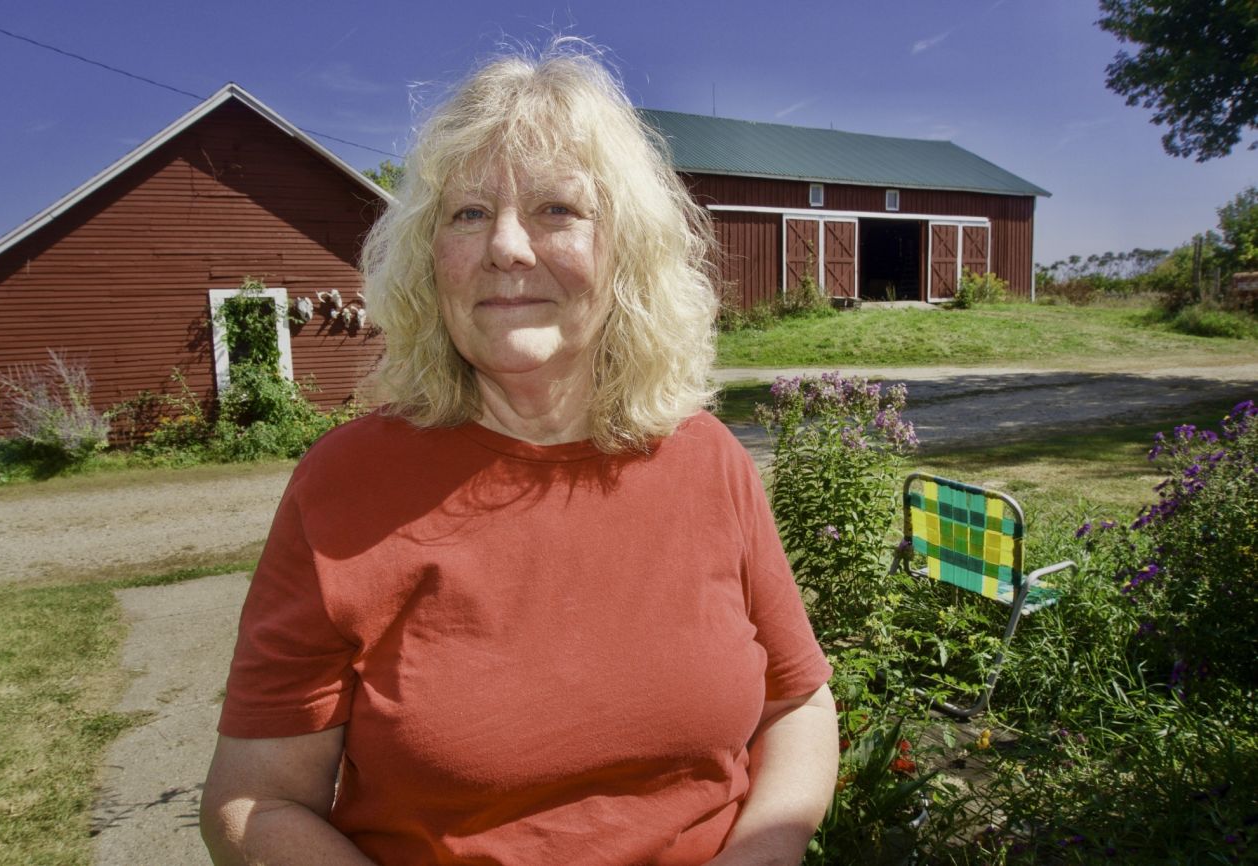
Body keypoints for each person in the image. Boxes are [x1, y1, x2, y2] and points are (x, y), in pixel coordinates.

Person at [200, 40, 838, 866]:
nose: (506, 245)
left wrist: (760, 855)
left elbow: (798, 703)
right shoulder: (345, 486)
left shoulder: (707, 460)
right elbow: (255, 800)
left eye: (555, 210)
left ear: (626, 255)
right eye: (468, 213)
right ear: (432, 266)